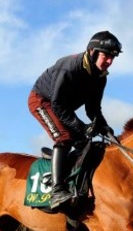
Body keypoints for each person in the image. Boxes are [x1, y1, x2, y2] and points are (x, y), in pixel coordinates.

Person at [28, 30, 122, 209]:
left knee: (84, 143)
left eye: (113, 58)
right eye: (107, 56)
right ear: (93, 52)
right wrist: (81, 127)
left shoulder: (100, 78)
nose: (110, 62)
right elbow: (57, 105)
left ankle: (74, 185)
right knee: (64, 137)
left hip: (62, 106)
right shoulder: (69, 67)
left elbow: (93, 109)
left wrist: (105, 127)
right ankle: (57, 191)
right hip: (43, 101)